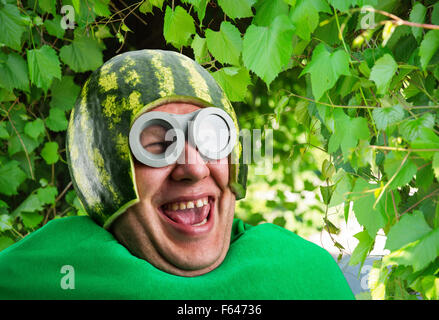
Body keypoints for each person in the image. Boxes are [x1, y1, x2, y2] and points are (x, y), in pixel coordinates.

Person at [0, 50, 354, 299]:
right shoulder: (38, 278)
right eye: (155, 142)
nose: (194, 168)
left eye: (212, 137)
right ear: (103, 172)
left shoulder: (306, 278)